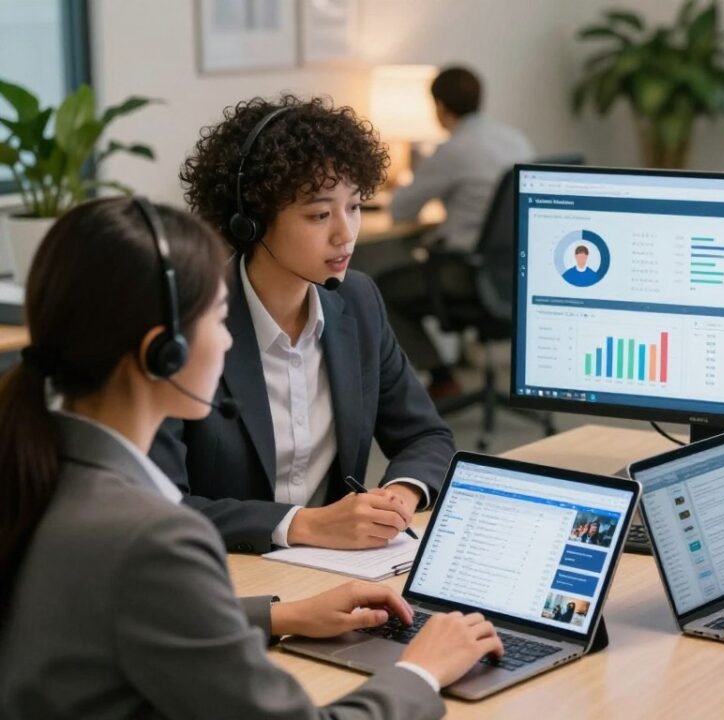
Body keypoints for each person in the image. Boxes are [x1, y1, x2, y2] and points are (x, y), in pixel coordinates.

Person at [0, 198, 502, 718]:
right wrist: (422, 670)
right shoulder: (153, 537)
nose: (227, 338)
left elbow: (126, 612)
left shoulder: (36, 473)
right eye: (220, 319)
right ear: (162, 353)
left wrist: (283, 615)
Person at [154, 95, 454, 554]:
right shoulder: (190, 321)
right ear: (250, 221)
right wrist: (303, 525)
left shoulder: (358, 300)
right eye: (319, 214)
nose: (345, 233)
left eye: (353, 207)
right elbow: (162, 503)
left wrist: (398, 498)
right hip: (225, 577)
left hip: (338, 574)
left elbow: (426, 435)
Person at [383, 65, 536, 399]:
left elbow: (400, 209)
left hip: (469, 272)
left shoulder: (455, 149)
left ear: (439, 107)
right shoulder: (515, 139)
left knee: (378, 291)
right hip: (517, 274)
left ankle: (440, 376)